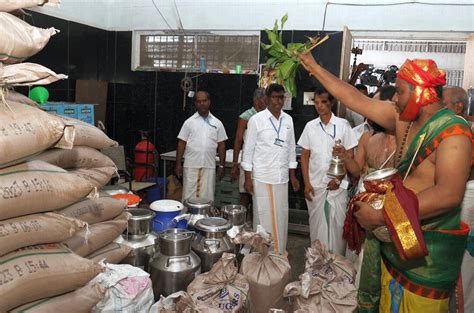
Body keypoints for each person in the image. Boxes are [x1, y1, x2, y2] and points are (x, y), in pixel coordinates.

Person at [298, 53, 473, 313]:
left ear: (421, 94)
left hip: (427, 258)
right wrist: (315, 67)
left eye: (400, 92)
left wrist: (382, 216)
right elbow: (356, 99)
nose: (394, 98)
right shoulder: (404, 119)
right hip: (397, 243)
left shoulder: (453, 133)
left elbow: (448, 194)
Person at [298, 88, 358, 255]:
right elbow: (304, 156)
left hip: (338, 186)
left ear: (331, 102)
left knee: (338, 227)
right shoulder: (310, 126)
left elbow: (350, 155)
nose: (319, 106)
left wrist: (338, 180)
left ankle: (337, 264)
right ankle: (317, 262)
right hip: (315, 185)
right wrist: (307, 184)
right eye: (316, 103)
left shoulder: (343, 125)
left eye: (323, 102)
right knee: (316, 227)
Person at [241, 83, 300, 255]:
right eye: (274, 97)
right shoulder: (256, 120)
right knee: (263, 216)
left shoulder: (288, 120)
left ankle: (279, 252)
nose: (278, 101)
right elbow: (248, 151)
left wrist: (293, 175)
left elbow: (290, 149)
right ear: (266, 99)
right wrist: (247, 178)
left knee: (281, 216)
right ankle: (262, 254)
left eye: (281, 97)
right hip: (261, 177)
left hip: (281, 177)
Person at [443, 86, 474, 312]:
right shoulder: (447, 128)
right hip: (454, 198)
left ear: (458, 107)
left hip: (466, 199)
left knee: (464, 263)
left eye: (443, 105)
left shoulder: (466, 132)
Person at [175, 91, 228, 202]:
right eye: (199, 101)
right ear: (195, 104)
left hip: (209, 166)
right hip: (191, 166)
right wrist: (178, 164)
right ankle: (187, 219)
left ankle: (205, 219)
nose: (202, 103)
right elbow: (181, 143)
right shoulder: (189, 123)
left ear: (209, 102)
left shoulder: (217, 123)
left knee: (207, 197)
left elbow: (222, 145)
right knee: (188, 197)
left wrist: (222, 166)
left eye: (204, 101)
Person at [231, 88, 267, 209]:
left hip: (263, 161)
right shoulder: (246, 116)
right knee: (245, 194)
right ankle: (241, 221)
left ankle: (255, 222)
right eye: (265, 99)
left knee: (260, 196)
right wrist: (235, 163)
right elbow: (238, 140)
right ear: (257, 101)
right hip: (248, 160)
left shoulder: (267, 116)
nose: (267, 102)